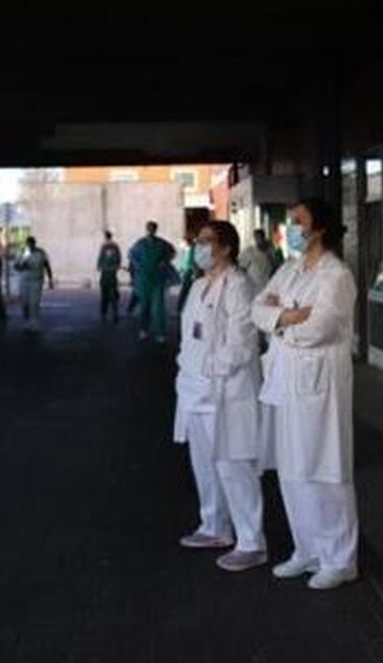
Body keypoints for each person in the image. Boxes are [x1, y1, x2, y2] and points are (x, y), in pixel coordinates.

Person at [251, 198, 360, 590]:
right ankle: (307, 550)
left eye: (299, 220)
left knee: (325, 468)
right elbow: (256, 308)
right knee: (293, 470)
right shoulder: (290, 268)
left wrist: (279, 323)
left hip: (320, 383)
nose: (292, 226)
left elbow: (321, 329)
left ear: (320, 228)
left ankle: (339, 559)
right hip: (285, 380)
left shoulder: (337, 276)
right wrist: (286, 316)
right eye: (291, 220)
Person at [172, 221, 266, 573]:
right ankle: (214, 526)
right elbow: (190, 336)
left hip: (227, 390)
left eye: (207, 242)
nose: (200, 248)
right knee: (205, 465)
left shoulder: (239, 285)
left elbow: (242, 342)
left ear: (225, 247)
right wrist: (188, 367)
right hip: (194, 388)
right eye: (198, 242)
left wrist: (214, 368)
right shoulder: (198, 285)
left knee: (234, 466)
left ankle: (252, 542)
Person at [127, 222, 175, 343]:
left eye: (152, 228)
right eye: (149, 228)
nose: (150, 230)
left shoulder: (162, 243)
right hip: (144, 280)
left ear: (155, 230)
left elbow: (172, 252)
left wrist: (164, 261)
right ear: (146, 229)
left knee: (158, 307)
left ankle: (160, 332)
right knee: (144, 307)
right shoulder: (140, 243)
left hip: (157, 280)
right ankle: (144, 329)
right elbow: (131, 255)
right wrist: (137, 267)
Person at [14, 237, 53, 331]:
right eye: (28, 244)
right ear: (26, 244)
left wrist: (50, 279)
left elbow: (47, 265)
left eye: (32, 244)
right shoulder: (23, 252)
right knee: (24, 302)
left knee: (34, 302)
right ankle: (26, 319)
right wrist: (22, 266)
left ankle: (34, 322)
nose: (30, 246)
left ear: (34, 244)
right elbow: (16, 266)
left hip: (37, 280)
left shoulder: (41, 252)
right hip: (25, 280)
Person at [96, 231, 123, 324]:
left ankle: (104, 314)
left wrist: (100, 266)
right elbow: (119, 259)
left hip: (105, 274)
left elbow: (100, 260)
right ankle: (115, 314)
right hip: (112, 274)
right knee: (113, 296)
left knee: (104, 296)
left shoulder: (104, 246)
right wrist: (116, 267)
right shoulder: (115, 246)